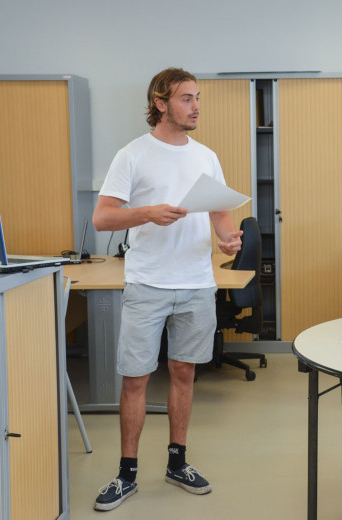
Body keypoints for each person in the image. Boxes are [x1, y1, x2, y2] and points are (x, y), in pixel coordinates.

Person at [91, 68, 243, 511]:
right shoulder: (132, 155)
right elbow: (102, 217)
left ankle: (177, 462)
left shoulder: (206, 156)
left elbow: (220, 214)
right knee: (136, 378)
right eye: (186, 99)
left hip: (196, 283)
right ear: (161, 103)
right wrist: (146, 214)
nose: (196, 106)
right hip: (148, 283)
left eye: (197, 98)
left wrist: (229, 238)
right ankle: (127, 473)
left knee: (184, 373)